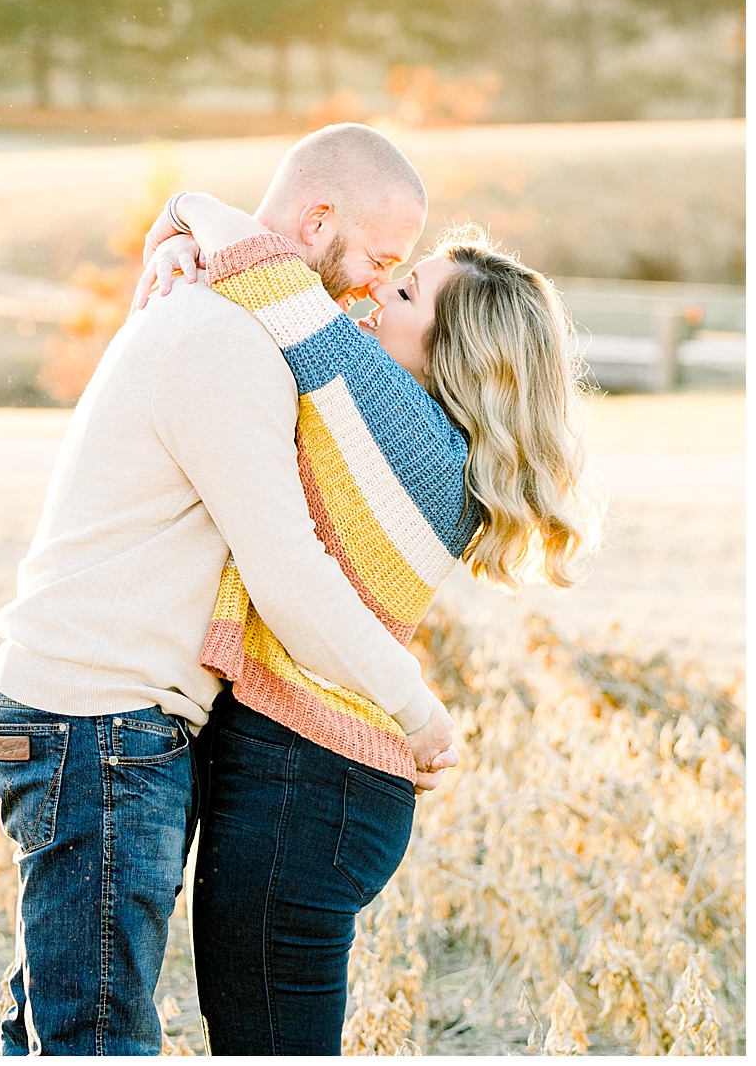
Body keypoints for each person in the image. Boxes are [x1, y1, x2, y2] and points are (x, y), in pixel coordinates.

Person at [0, 124, 460, 1055]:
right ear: (318, 220)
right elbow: (289, 576)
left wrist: (187, 216)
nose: (375, 287)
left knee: (62, 1029)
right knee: (94, 1041)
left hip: (104, 723)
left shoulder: (231, 317)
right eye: (380, 260)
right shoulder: (225, 342)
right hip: (98, 724)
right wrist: (415, 712)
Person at [135, 186, 597, 1055]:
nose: (379, 290)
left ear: (458, 353)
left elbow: (267, 270)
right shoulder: (430, 445)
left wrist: (183, 210)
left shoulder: (399, 421)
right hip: (322, 785)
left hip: (307, 786)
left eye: (408, 290)